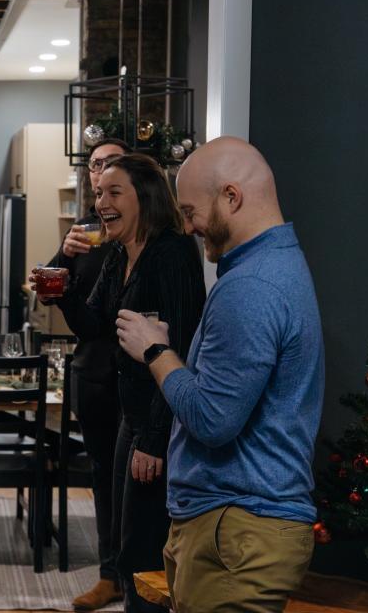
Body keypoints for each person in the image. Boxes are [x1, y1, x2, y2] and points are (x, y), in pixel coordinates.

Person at [115, 137, 323, 612]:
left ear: (232, 196)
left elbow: (212, 419)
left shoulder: (250, 286)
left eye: (190, 211)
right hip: (237, 525)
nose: (187, 226)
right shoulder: (276, 263)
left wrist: (155, 350)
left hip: (237, 527)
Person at [85, 154, 205, 613]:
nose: (102, 202)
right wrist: (60, 291)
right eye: (98, 193)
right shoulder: (120, 253)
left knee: (144, 550)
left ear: (145, 198)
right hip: (128, 419)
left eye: (114, 193)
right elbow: (93, 323)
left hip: (160, 423)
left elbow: (185, 346)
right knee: (124, 539)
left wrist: (155, 439)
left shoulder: (171, 253)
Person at [29, 139, 130, 609]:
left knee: (140, 476)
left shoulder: (139, 233)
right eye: (94, 165)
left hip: (138, 369)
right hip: (91, 369)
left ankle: (143, 570)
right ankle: (112, 574)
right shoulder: (84, 230)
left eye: (111, 164)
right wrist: (64, 257)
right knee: (104, 475)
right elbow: (48, 284)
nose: (100, 172)